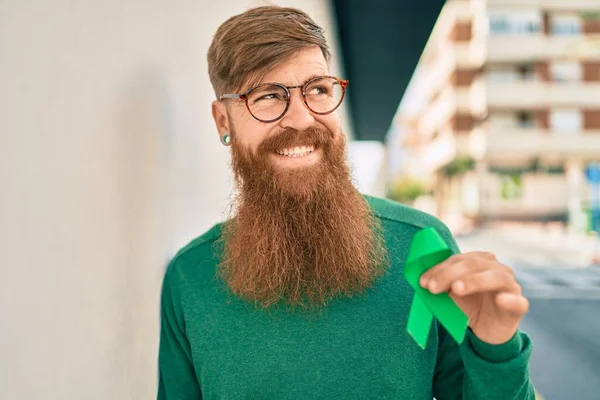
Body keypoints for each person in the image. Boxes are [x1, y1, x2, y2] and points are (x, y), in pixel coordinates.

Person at [158, 6, 535, 399]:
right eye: (267, 96)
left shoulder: (422, 248)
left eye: (318, 89)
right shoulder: (189, 277)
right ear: (223, 122)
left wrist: (495, 346)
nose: (303, 119)